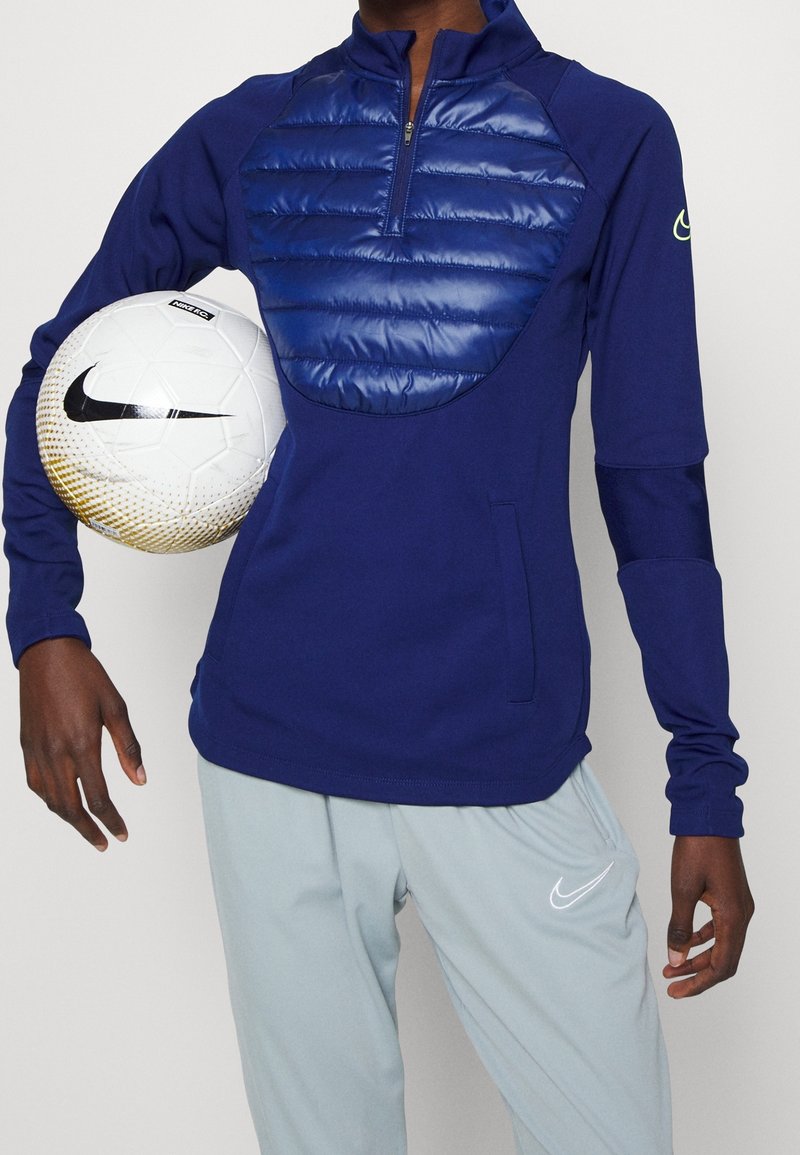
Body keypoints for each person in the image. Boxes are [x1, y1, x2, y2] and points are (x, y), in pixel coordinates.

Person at [4, 0, 755, 1151]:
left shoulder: (609, 134)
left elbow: (652, 472)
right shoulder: (252, 128)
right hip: (266, 754)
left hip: (500, 757)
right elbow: (66, 362)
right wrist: (44, 622)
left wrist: (703, 780)